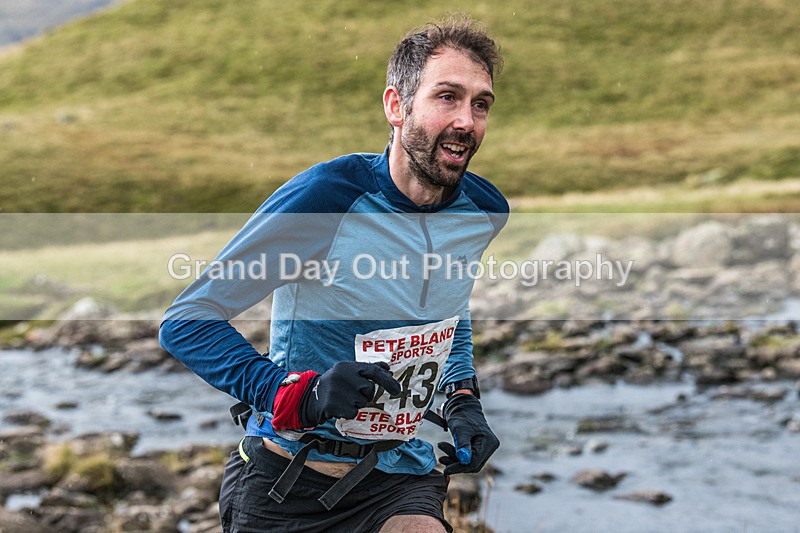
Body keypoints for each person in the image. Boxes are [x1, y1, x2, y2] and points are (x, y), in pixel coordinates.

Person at [160, 15, 507, 533]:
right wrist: (296, 394)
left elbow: (448, 315)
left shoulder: (482, 211)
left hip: (398, 477)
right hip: (288, 484)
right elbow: (188, 321)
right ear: (396, 106)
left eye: (480, 104)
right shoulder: (326, 199)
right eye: (447, 97)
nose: (466, 120)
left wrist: (461, 399)